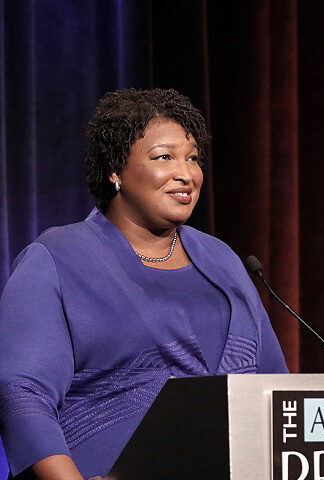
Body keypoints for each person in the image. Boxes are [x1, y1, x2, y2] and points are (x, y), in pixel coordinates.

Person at [0, 88, 288, 480]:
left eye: (193, 158)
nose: (186, 173)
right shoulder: (57, 259)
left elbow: (276, 392)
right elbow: (22, 393)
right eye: (163, 157)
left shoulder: (222, 261)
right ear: (115, 170)